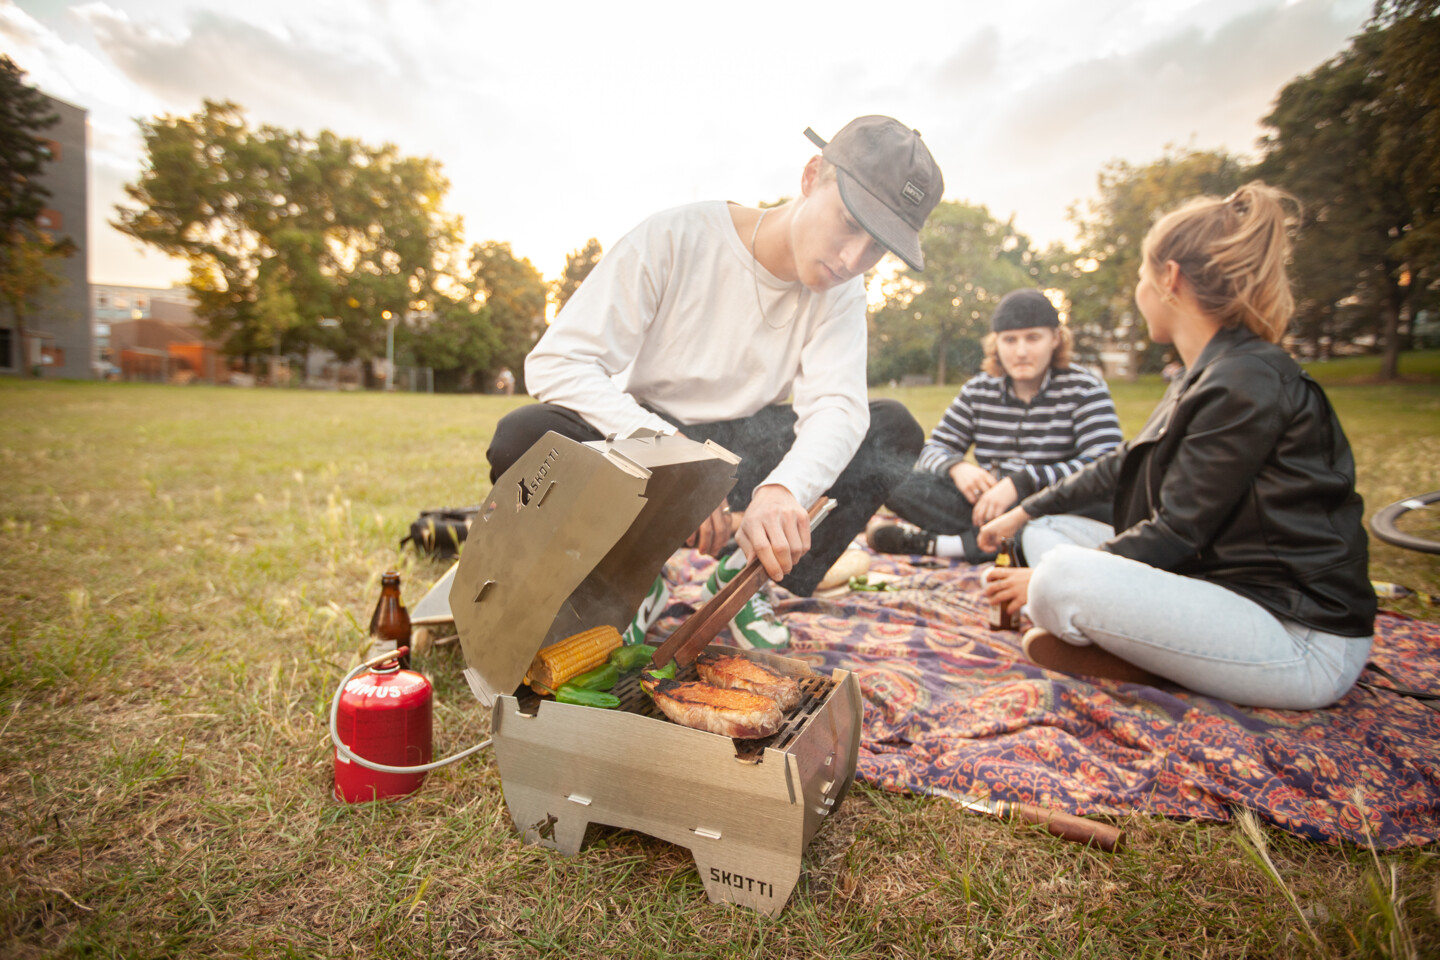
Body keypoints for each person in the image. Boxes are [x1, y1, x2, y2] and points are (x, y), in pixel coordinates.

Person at [486, 116, 943, 649]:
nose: (852, 258)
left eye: (877, 247)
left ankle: (746, 578)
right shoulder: (675, 236)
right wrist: (680, 463)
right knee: (527, 436)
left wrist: (783, 489)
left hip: (747, 453)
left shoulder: (844, 289)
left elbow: (838, 407)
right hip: (650, 449)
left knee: (891, 429)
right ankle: (628, 576)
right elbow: (557, 362)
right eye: (848, 222)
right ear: (812, 175)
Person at [978, 182, 1376, 710]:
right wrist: (1021, 511)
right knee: (1047, 530)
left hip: (1299, 637)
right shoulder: (1204, 372)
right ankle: (1145, 648)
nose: (1139, 289)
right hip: (1224, 587)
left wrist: (1037, 581)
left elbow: (1178, 530)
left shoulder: (1245, 380)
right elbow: (1119, 464)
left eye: (1142, 274)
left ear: (1169, 279)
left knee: (1058, 578)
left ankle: (1134, 645)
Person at [868, 288, 1122, 563]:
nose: (1021, 351)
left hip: (1052, 509)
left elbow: (1106, 464)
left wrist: (1022, 483)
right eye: (1010, 340)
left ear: (1055, 339)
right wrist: (956, 466)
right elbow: (933, 448)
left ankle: (947, 546)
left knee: (1083, 512)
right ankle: (999, 546)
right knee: (889, 476)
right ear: (996, 343)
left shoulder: (1085, 388)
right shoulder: (978, 390)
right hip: (985, 507)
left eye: (1033, 338)